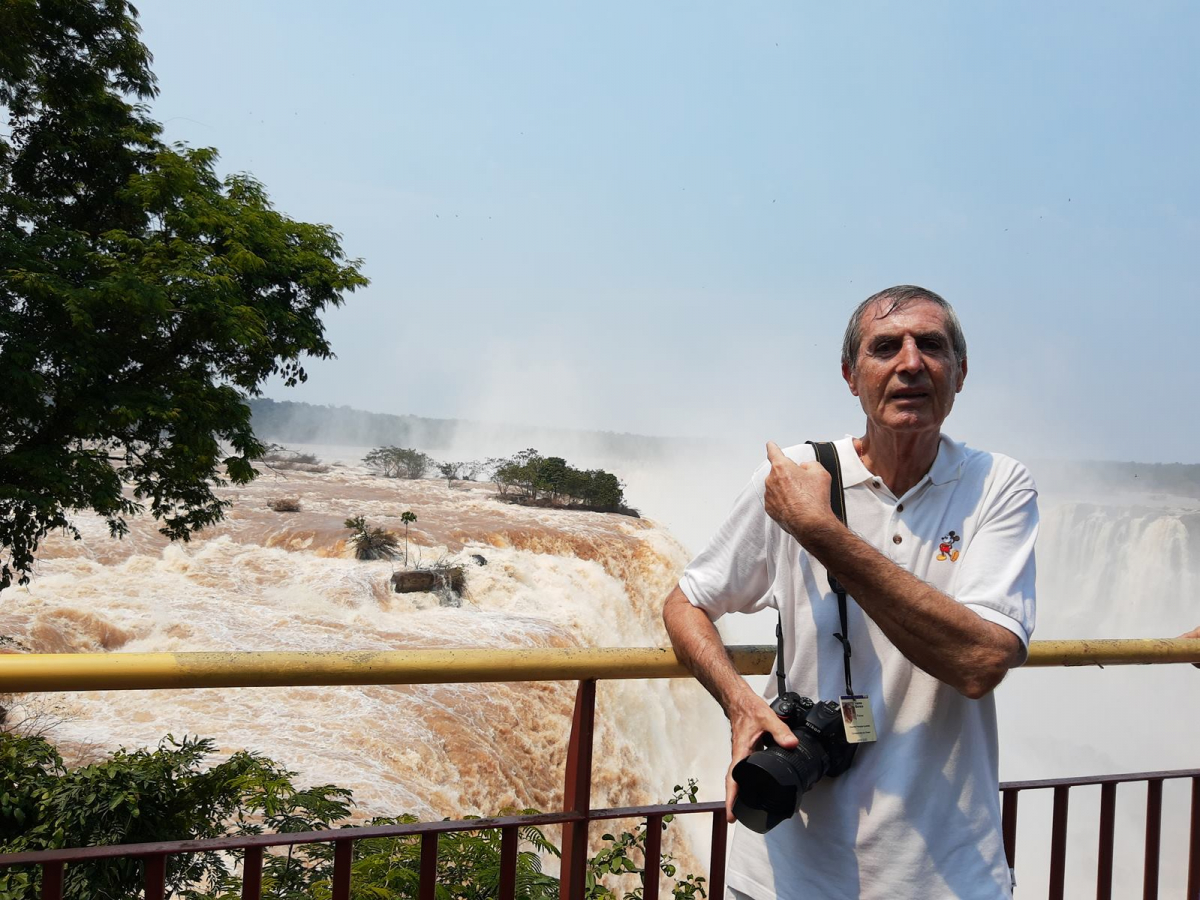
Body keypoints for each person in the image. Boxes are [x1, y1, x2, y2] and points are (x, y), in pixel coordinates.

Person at [662, 286, 1038, 900]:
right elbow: (685, 601)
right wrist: (738, 702)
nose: (910, 363)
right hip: (784, 875)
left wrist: (818, 528)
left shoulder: (996, 484)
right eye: (885, 347)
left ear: (960, 372)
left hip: (944, 876)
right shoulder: (790, 478)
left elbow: (979, 661)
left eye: (932, 347)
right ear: (850, 376)